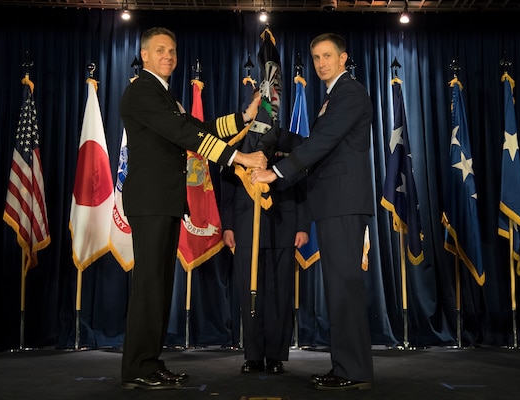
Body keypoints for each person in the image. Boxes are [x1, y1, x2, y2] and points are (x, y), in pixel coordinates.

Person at [119, 26, 266, 390]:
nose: (168, 56)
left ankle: (149, 362)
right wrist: (240, 158)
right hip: (151, 201)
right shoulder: (142, 91)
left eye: (172, 50)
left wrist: (242, 119)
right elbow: (186, 135)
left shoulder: (164, 95)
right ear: (146, 56)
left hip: (164, 201)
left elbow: (198, 126)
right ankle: (138, 366)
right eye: (160, 50)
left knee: (160, 288)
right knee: (149, 288)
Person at [251, 32, 374, 391]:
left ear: (343, 57)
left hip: (344, 203)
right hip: (335, 203)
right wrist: (280, 136)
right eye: (316, 57)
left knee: (345, 289)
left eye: (326, 56)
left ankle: (353, 371)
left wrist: (274, 172)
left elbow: (322, 143)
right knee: (339, 289)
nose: (320, 63)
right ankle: (346, 367)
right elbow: (314, 143)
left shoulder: (349, 92)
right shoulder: (333, 96)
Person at [220, 128, 309, 376]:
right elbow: (227, 189)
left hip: (284, 225)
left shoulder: (288, 140)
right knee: (251, 295)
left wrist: (302, 225)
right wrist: (228, 226)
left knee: (280, 295)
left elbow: (301, 182)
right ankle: (253, 356)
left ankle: (276, 356)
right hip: (246, 227)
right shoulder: (240, 140)